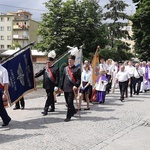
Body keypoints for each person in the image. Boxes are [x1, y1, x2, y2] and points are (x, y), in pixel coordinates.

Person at [35, 50, 59, 116]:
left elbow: (57, 78)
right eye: (47, 62)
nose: (48, 63)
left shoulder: (55, 69)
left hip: (52, 86)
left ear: (52, 62)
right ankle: (53, 107)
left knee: (49, 97)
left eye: (49, 62)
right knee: (50, 96)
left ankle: (45, 110)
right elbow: (39, 73)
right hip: (46, 85)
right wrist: (34, 76)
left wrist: (56, 85)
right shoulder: (45, 68)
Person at [60, 55, 81, 122]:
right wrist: (60, 87)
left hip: (72, 89)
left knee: (69, 102)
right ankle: (74, 111)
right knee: (68, 102)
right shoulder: (65, 69)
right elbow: (62, 78)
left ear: (74, 61)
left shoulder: (77, 69)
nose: (69, 61)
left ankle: (68, 117)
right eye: (69, 60)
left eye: (71, 60)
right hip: (65, 88)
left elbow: (78, 80)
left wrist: (76, 85)